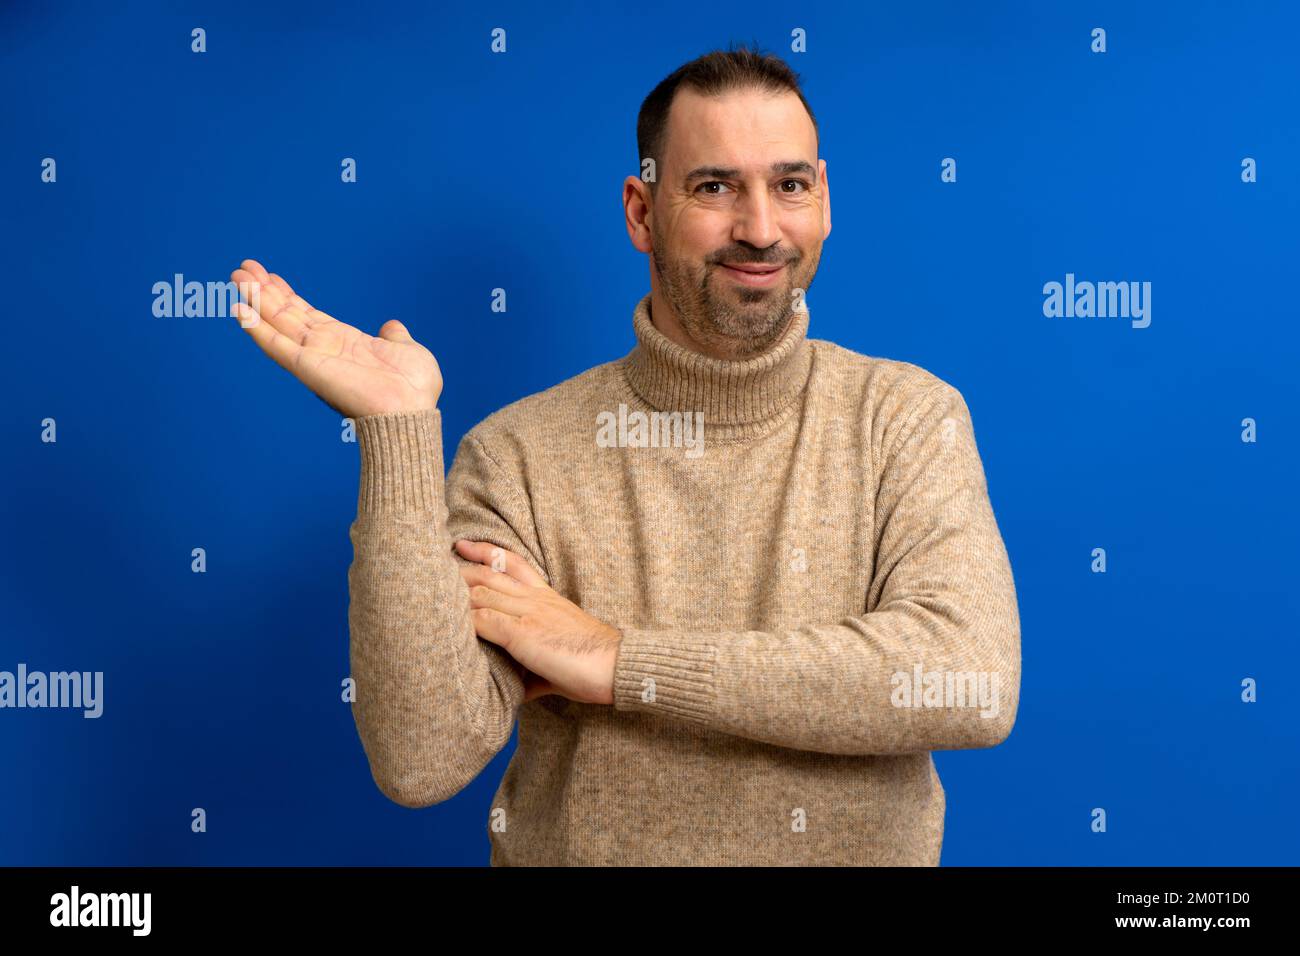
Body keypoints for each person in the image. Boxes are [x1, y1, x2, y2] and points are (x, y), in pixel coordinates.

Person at [229, 44, 1021, 866]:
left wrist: (616, 660)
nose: (759, 229)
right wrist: (397, 436)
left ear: (822, 199)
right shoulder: (518, 456)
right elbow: (422, 760)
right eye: (714, 187)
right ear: (642, 212)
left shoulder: (907, 418)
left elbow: (973, 682)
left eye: (789, 185)